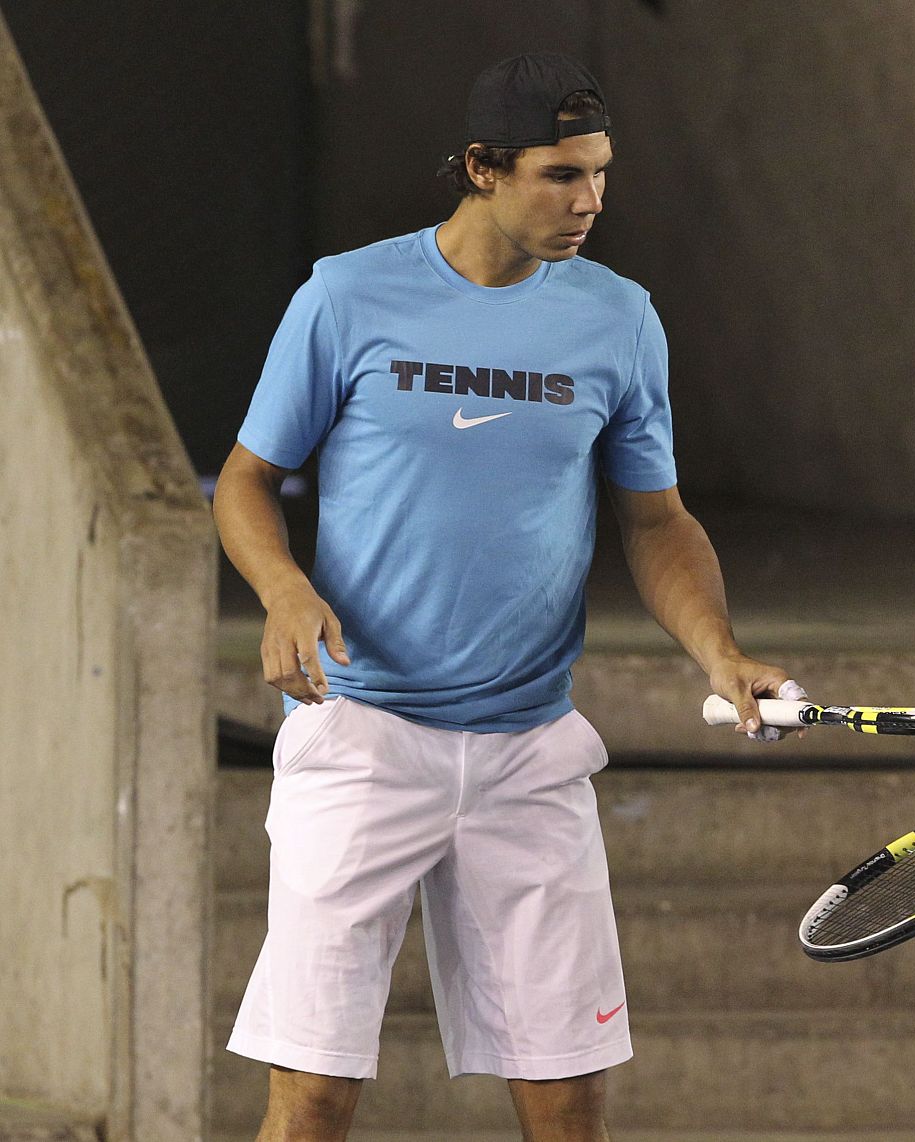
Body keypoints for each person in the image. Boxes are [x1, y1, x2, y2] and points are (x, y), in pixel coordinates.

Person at [213, 51, 797, 1142]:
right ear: (481, 168)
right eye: (560, 176)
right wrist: (283, 588)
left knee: (567, 1098)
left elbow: (655, 518)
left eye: (601, 175)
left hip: (529, 747)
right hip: (359, 733)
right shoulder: (348, 293)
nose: (590, 202)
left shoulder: (619, 318)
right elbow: (247, 481)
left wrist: (716, 649)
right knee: (313, 1093)